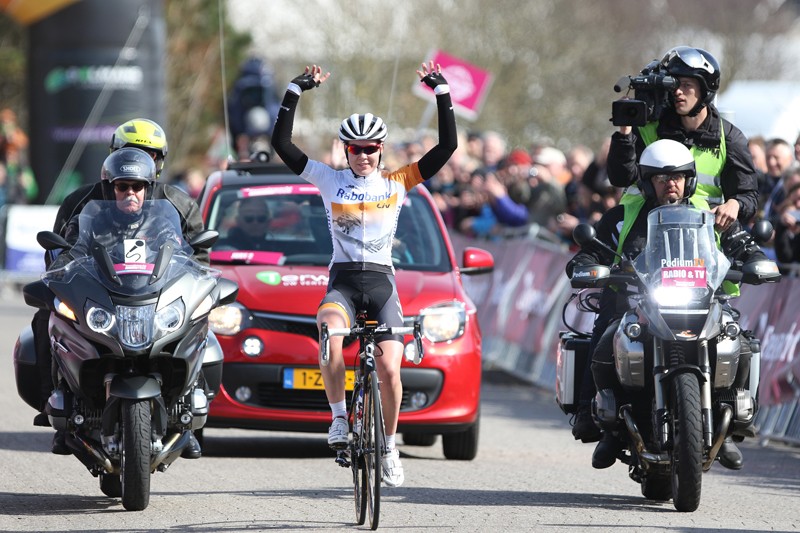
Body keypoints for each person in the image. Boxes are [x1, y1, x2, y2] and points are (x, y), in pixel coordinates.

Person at [271, 61, 457, 488]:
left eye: (371, 148)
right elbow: (281, 142)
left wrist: (441, 90)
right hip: (343, 283)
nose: (363, 156)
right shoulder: (326, 179)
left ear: (381, 149)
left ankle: (389, 447)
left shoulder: (397, 183)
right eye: (355, 149)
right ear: (344, 149)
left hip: (380, 283)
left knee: (391, 370)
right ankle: (338, 419)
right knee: (330, 332)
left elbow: (446, 147)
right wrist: (296, 89)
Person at [567, 139, 762, 470]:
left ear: (691, 179)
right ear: (646, 181)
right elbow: (593, 251)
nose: (670, 184)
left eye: (678, 176)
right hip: (636, 303)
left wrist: (756, 259)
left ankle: (730, 425)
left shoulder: (711, 215)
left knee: (739, 342)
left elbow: (742, 244)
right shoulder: (622, 216)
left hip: (701, 302)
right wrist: (587, 265)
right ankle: (603, 423)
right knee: (606, 339)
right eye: (660, 177)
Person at [32, 118, 206, 459]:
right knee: (45, 318)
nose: (138, 160)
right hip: (101, 295)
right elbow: (60, 255)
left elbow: (198, 256)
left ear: (159, 162)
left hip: (156, 296)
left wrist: (197, 283)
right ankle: (54, 407)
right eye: (130, 152)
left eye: (148, 154)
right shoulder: (81, 202)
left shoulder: (179, 204)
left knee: (204, 323)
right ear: (112, 159)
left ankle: (191, 419)